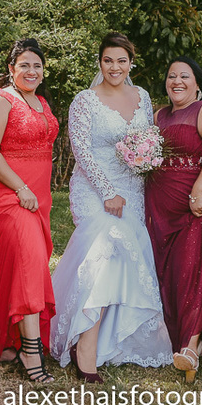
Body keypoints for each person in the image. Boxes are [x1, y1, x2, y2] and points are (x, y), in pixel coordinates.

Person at [50, 32, 172, 381]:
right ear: (100, 62)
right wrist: (106, 192)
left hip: (133, 188)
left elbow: (149, 139)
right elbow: (81, 151)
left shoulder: (143, 97)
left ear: (130, 63)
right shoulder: (85, 100)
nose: (114, 67)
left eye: (121, 60)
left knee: (124, 263)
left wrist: (147, 159)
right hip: (95, 189)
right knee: (104, 257)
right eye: (108, 60)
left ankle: (113, 342)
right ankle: (85, 346)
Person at [0, 38, 60, 382]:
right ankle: (30, 349)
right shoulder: (0, 100)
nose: (31, 71)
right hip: (7, 194)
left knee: (27, 264)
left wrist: (34, 190)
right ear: (11, 69)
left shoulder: (40, 101)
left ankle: (8, 340)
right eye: (24, 65)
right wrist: (21, 188)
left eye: (37, 65)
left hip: (37, 196)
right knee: (28, 264)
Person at [147, 57, 202, 383]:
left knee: (194, 271)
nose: (177, 81)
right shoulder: (159, 115)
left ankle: (192, 346)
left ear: (198, 82)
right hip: (161, 206)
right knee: (168, 274)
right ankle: (172, 339)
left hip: (198, 203)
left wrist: (198, 191)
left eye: (185, 76)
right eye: (172, 76)